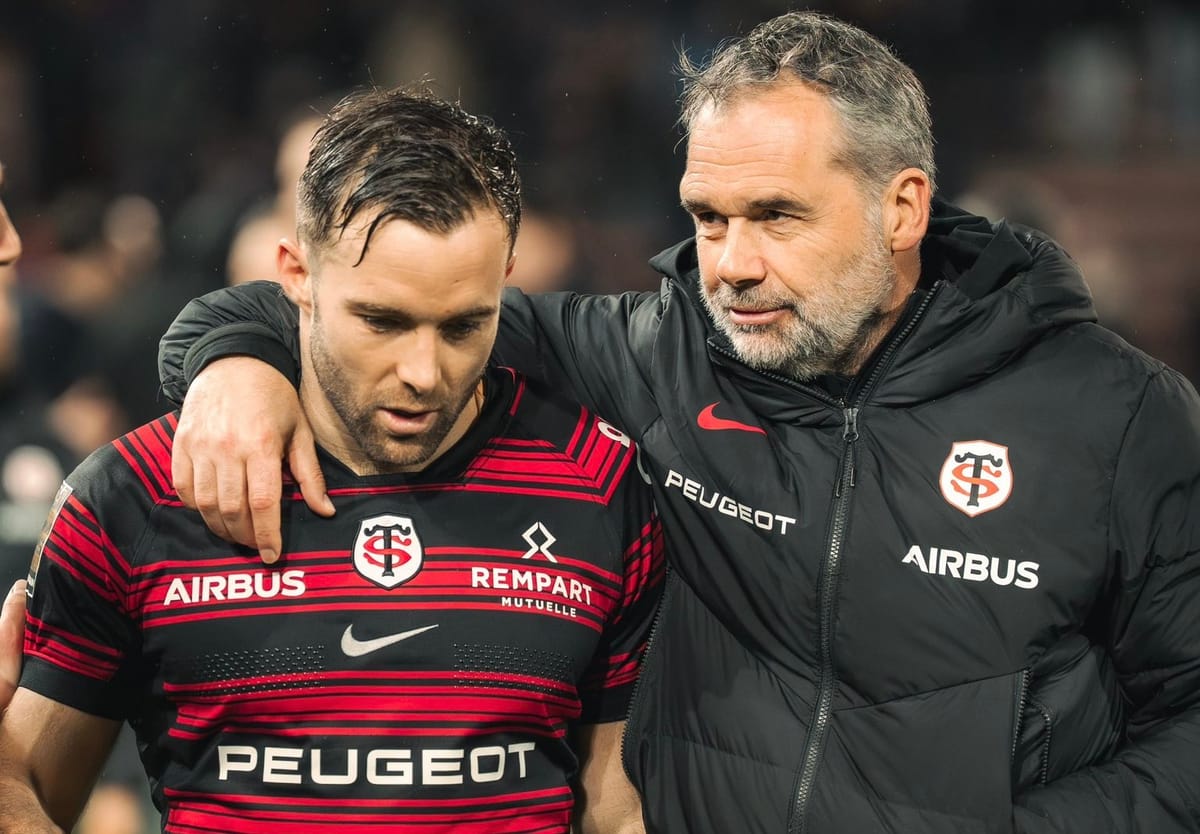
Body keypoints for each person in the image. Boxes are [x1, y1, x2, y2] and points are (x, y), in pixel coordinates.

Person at [159, 12, 1199, 834]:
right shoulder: (660, 351)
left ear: (903, 208)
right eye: (709, 217)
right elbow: (378, 309)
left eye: (777, 216)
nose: (731, 265)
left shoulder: (1119, 418)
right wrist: (234, 366)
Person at [0, 88, 661, 834]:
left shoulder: (600, 486)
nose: (423, 372)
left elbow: (619, 809)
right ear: (296, 275)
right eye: (381, 320)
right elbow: (25, 786)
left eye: (463, 326)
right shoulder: (135, 495)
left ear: (505, 280)